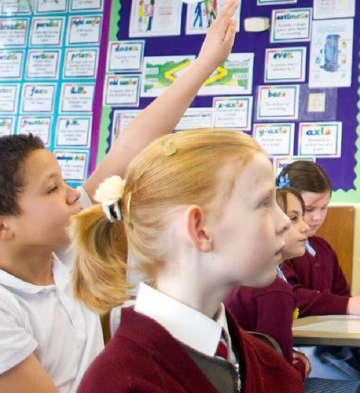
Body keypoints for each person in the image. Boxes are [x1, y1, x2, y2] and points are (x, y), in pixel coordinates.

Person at [0, 0, 239, 392]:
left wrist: (204, 63)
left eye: (63, 182)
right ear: (4, 224)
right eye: (51, 188)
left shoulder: (62, 252)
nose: (72, 195)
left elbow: (129, 150)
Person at [70, 129, 302, 392]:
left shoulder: (269, 366)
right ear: (200, 229)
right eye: (264, 203)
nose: (285, 222)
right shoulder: (121, 384)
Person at [226, 186, 360, 393]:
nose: (305, 227)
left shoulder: (247, 275)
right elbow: (279, 375)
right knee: (358, 389)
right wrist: (300, 365)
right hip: (261, 385)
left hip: (247, 381)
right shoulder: (273, 290)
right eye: (294, 218)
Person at [277, 161, 360, 393]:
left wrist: (351, 305)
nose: (316, 218)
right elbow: (293, 297)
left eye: (324, 208)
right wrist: (348, 304)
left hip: (334, 344)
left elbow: (340, 292)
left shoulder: (322, 248)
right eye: (307, 211)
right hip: (305, 349)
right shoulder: (281, 252)